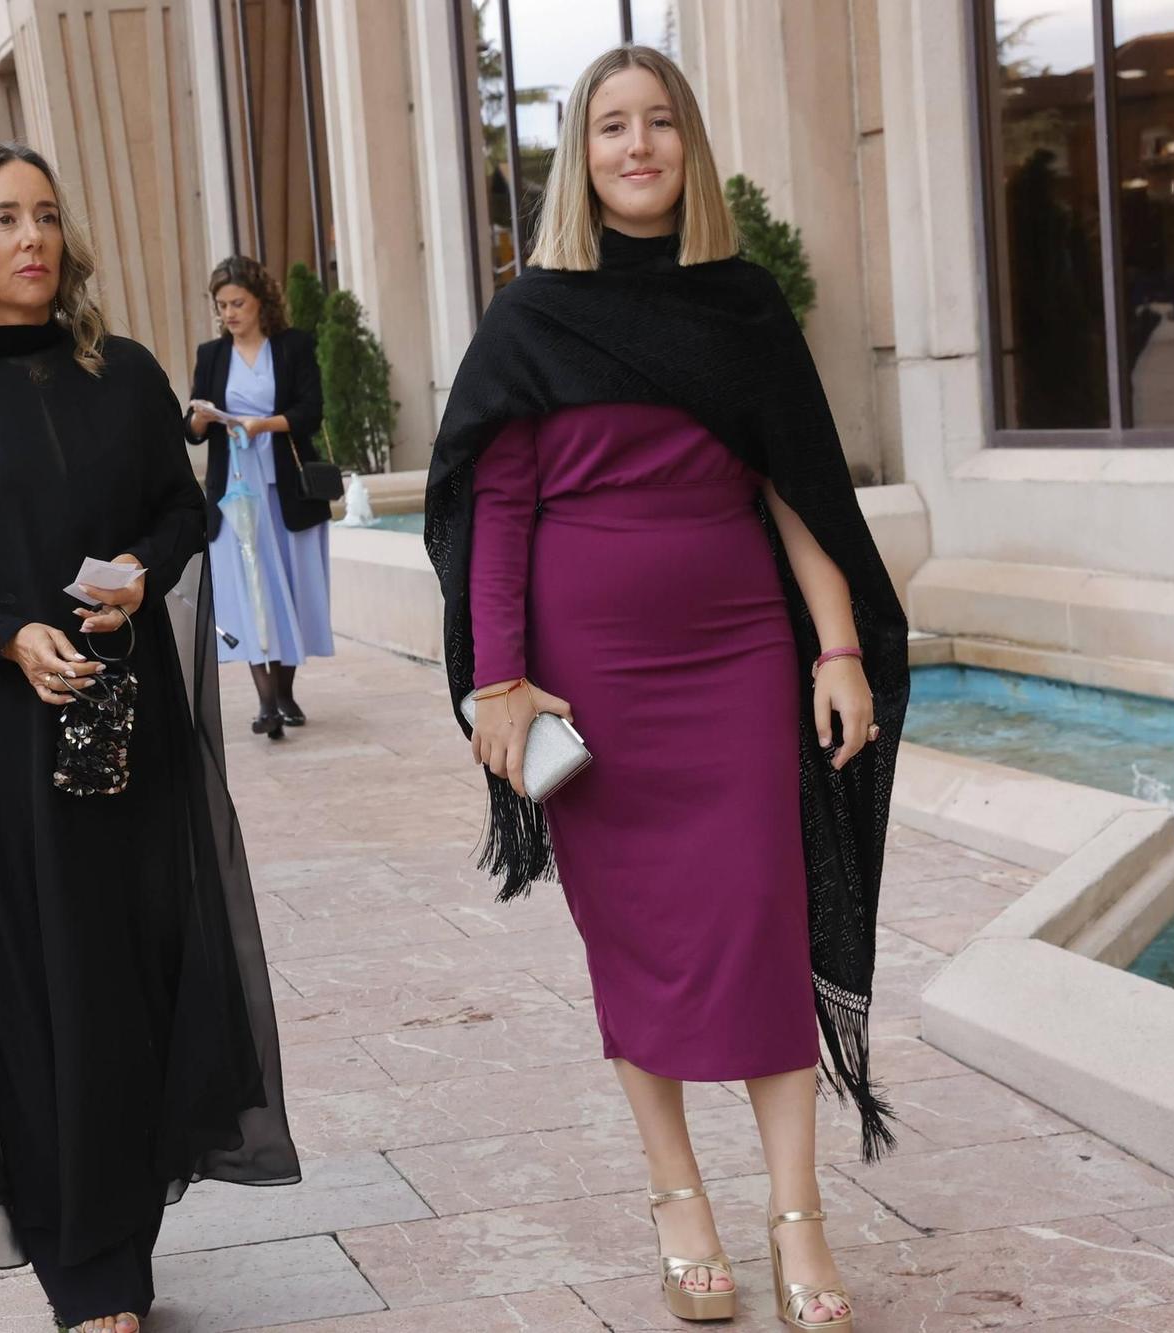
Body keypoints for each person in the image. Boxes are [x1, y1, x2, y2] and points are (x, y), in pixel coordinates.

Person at [425, 47, 908, 1331]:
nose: (634, 147)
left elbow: (794, 491)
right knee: (632, 942)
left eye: (656, 126)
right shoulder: (532, 316)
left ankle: (795, 1215)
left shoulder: (741, 304)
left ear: (686, 146)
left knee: (762, 921)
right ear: (578, 159)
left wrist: (839, 649)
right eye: (607, 129)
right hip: (593, 684)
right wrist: (498, 685)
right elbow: (499, 511)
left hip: (738, 661)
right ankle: (675, 1197)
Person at [0, 143, 299, 1333]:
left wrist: (137, 580)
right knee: (38, 986)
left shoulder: (126, 376)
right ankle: (88, 1268)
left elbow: (183, 506)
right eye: (4, 217)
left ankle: (122, 1229)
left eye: (47, 215)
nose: (31, 238)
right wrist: (8, 637)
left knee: (135, 973)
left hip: (126, 724)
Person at [184, 256, 333, 737]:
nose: (228, 313)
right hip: (234, 496)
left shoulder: (293, 347)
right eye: (221, 305)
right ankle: (267, 704)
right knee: (248, 594)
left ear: (261, 302)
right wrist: (202, 419)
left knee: (289, 587)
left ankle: (286, 693)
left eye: (237, 303)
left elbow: (311, 411)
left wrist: (261, 424)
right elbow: (192, 430)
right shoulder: (212, 355)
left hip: (287, 490)